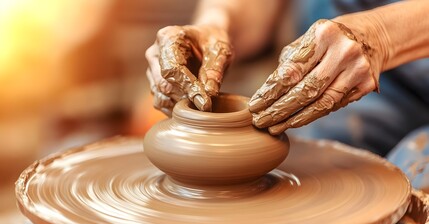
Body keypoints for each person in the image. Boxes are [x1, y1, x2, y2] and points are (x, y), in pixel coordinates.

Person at [145, 0, 429, 188]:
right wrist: (214, 23)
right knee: (303, 166)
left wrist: (380, 34)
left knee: (414, 186)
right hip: (348, 79)